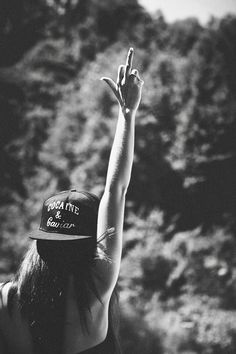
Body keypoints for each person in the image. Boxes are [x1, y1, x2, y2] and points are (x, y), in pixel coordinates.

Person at [0, 47, 143, 354]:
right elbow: (115, 190)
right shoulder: (95, 291)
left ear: (42, 242)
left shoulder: (9, 301)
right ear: (91, 241)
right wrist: (127, 114)